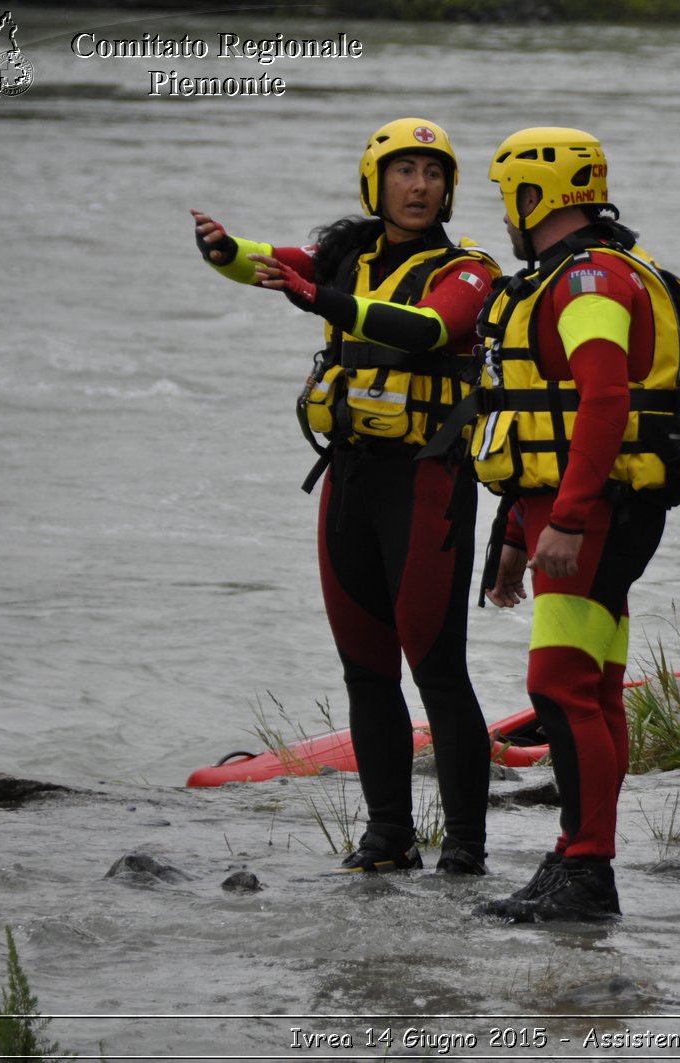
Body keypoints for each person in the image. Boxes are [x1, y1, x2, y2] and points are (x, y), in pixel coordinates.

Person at [189, 118, 503, 875]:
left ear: (449, 188)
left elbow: (432, 331)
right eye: (405, 171)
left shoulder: (469, 270)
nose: (420, 185)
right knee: (366, 670)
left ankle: (464, 846)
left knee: (439, 670)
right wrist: (228, 252)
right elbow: (267, 262)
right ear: (377, 182)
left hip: (428, 480)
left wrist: (320, 299)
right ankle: (388, 837)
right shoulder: (346, 255)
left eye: (433, 173)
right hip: (350, 477)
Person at [468, 126, 680, 921]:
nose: (505, 213)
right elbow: (550, 417)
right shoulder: (589, 273)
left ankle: (587, 869)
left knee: (560, 684)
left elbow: (602, 401)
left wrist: (566, 520)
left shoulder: (587, 285)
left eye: (508, 196)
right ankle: (578, 853)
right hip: (586, 508)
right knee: (594, 684)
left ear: (532, 197)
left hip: (595, 513)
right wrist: (516, 532)